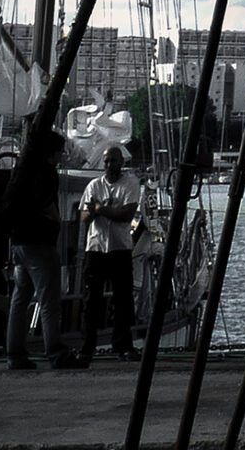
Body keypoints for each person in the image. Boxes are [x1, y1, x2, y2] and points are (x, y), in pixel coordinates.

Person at [5, 124, 77, 371]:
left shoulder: (23, 170)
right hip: (39, 242)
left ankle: (14, 352)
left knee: (20, 298)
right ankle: (55, 351)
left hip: (19, 242)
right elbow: (45, 203)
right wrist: (56, 220)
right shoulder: (46, 173)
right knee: (48, 300)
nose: (61, 157)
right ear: (52, 153)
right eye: (60, 152)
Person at [77, 143, 142, 359]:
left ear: (121, 162)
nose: (109, 165)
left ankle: (122, 344)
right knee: (91, 300)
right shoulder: (94, 185)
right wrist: (100, 211)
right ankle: (87, 346)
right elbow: (84, 216)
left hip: (119, 248)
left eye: (113, 160)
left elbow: (126, 214)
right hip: (95, 249)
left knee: (122, 299)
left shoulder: (131, 184)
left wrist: (100, 209)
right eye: (106, 161)